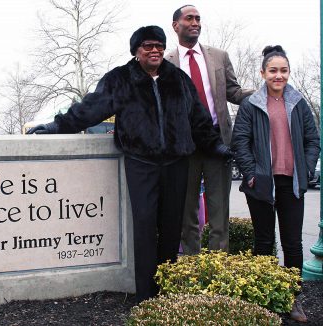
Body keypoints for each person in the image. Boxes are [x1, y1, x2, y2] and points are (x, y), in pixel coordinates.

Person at [27, 25, 232, 303]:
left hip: (176, 163)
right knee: (145, 227)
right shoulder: (120, 79)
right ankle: (145, 296)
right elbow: (90, 108)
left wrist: (216, 146)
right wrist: (56, 126)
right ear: (136, 51)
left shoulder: (179, 79)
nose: (155, 50)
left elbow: (198, 119)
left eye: (159, 45)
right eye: (148, 46)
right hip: (141, 163)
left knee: (172, 229)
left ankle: (167, 291)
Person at [232, 45, 320, 322]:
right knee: (264, 241)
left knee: (293, 244)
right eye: (273, 70)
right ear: (263, 73)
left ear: (288, 72)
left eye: (283, 71)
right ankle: (265, 297)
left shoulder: (299, 103)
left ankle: (292, 299)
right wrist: (251, 173)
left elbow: (312, 140)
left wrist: (305, 169)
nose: (278, 76)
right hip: (260, 184)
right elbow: (240, 142)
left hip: (291, 183)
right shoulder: (251, 104)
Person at [165, 5, 253, 255]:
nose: (195, 22)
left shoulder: (219, 56)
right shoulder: (166, 63)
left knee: (218, 214)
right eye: (189, 18)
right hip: (184, 147)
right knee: (186, 214)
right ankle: (193, 270)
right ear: (176, 26)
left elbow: (233, 92)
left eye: (198, 19)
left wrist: (262, 92)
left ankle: (217, 272)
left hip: (217, 143)